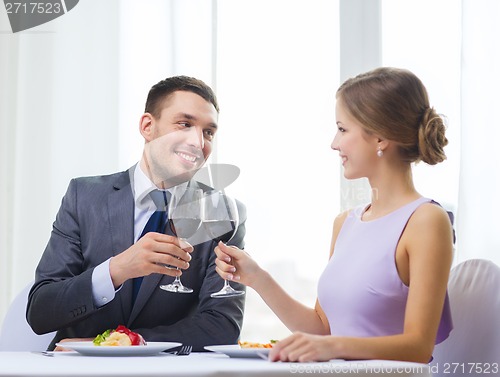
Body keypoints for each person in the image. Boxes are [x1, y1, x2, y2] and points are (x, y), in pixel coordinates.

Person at [214, 67, 454, 363]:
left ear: (380, 137)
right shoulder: (345, 223)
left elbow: (418, 347)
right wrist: (258, 278)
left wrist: (335, 347)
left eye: (342, 129)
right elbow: (323, 330)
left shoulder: (426, 221)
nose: (334, 143)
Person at [26, 76, 247, 351]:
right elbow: (40, 311)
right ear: (147, 126)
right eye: (184, 124)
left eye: (208, 132)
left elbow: (222, 325)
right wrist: (116, 270)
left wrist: (118, 343)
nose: (198, 141)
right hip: (77, 370)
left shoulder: (222, 213)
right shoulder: (84, 196)